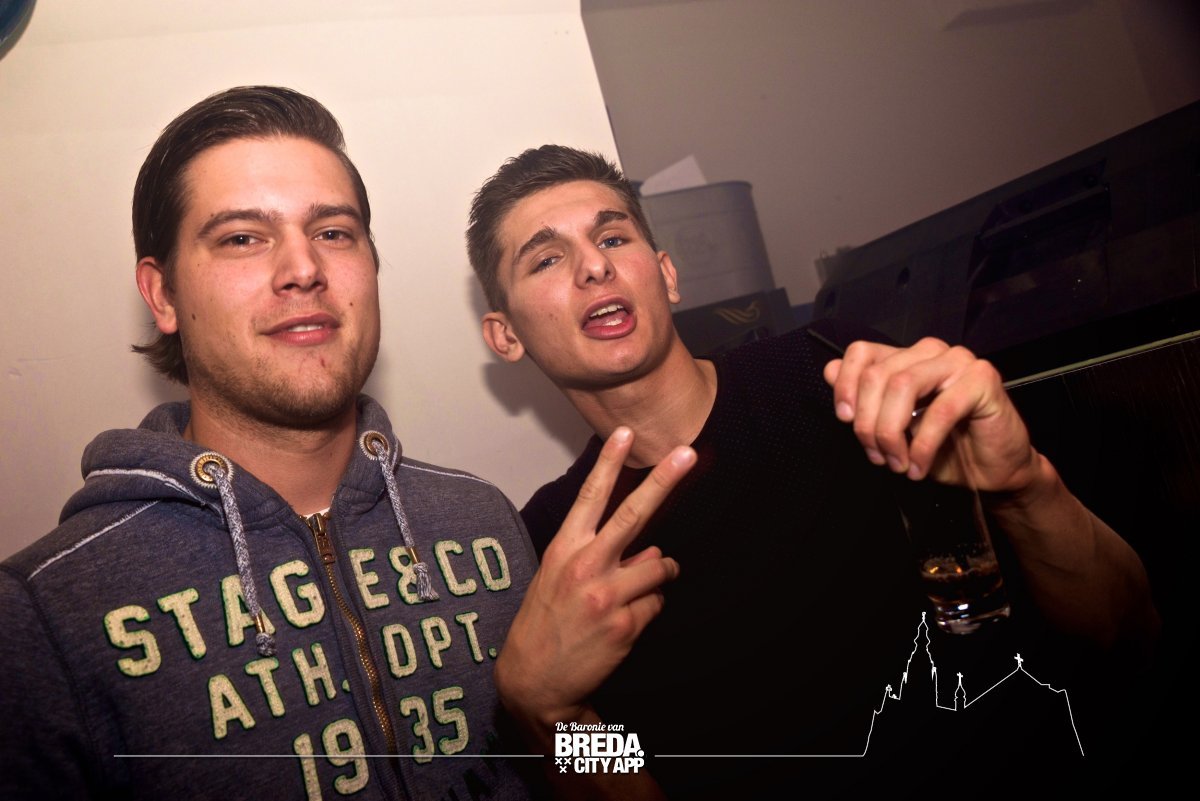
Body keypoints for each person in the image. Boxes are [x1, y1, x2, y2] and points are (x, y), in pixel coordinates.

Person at [0, 89, 690, 801]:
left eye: (333, 232)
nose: (303, 267)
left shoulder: (485, 522)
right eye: (242, 238)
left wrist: (563, 717)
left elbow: (590, 767)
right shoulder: (43, 617)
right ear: (163, 294)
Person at [468, 145, 1161, 798]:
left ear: (667, 274)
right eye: (547, 259)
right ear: (506, 335)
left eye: (614, 237)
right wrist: (553, 714)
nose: (594, 266)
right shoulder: (551, 547)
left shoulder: (843, 378)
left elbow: (1125, 625)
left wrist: (1024, 488)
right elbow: (636, 777)